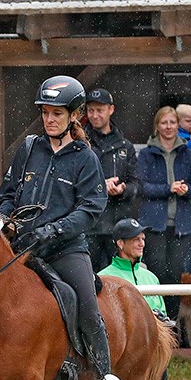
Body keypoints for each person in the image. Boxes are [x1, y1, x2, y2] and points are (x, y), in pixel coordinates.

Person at [0, 75, 126, 380]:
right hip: (21, 245)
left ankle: (106, 379)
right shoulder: (28, 149)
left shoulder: (86, 158)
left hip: (66, 249)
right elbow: (7, 195)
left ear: (73, 116)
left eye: (56, 113)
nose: (49, 119)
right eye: (45, 113)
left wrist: (53, 230)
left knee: (84, 300)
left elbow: (91, 209)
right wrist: (2, 218)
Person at [98, 218, 168, 380]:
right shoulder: (103, 278)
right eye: (135, 238)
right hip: (121, 353)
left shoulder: (150, 277)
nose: (142, 242)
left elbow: (164, 315)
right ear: (120, 243)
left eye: (142, 238)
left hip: (152, 351)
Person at [136, 106, 191, 320]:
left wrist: (185, 190)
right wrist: (168, 189)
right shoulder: (146, 154)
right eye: (164, 122)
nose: (169, 127)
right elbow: (141, 187)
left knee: (174, 276)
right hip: (155, 224)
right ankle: (156, 320)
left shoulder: (189, 154)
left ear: (178, 125)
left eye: (172, 122)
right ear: (157, 126)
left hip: (181, 224)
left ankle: (170, 324)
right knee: (156, 274)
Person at [84, 88, 139, 273]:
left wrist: (123, 189)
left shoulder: (125, 146)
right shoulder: (80, 143)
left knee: (118, 280)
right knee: (88, 280)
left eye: (100, 110)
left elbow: (136, 184)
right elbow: (71, 183)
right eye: (90, 110)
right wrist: (100, 187)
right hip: (88, 223)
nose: (94, 115)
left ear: (111, 110)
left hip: (117, 226)